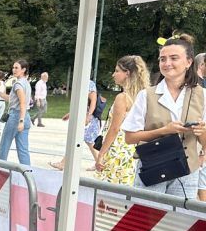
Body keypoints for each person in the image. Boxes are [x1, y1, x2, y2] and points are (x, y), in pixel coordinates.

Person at [124, 33, 206, 198]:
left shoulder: (202, 95)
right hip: (153, 167)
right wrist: (164, 130)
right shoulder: (146, 95)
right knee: (146, 217)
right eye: (163, 59)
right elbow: (130, 137)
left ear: (189, 62)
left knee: (180, 221)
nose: (167, 63)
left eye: (174, 58)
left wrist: (202, 133)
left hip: (187, 172)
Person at [95, 55, 150, 185]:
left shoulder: (123, 98)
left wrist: (101, 153)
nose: (114, 75)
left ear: (127, 73)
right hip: (134, 149)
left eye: (117, 71)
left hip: (119, 149)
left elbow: (114, 129)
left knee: (108, 191)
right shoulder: (144, 96)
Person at [50, 78, 105, 172]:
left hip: (91, 120)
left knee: (85, 141)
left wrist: (89, 116)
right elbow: (80, 104)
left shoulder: (90, 84)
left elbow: (93, 101)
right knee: (86, 141)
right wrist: (70, 114)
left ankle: (63, 163)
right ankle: (99, 163)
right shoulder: (81, 84)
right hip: (86, 118)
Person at [0, 59, 31, 165]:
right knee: (23, 150)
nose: (14, 70)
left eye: (16, 68)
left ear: (23, 70)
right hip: (26, 116)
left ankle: (0, 170)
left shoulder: (18, 84)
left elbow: (22, 103)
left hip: (16, 116)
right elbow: (12, 100)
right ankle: (28, 174)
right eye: (13, 67)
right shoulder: (26, 83)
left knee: (4, 146)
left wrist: (20, 120)